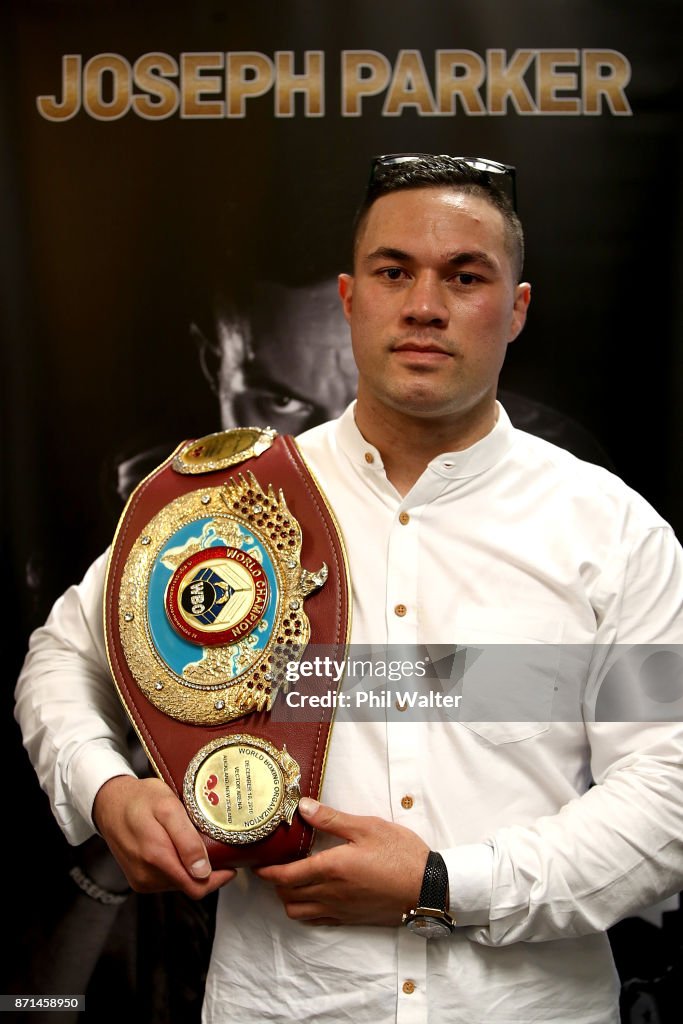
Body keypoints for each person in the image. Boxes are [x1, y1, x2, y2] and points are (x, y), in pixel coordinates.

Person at [15, 154, 683, 1024]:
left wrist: (443, 884)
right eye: (393, 271)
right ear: (349, 297)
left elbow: (666, 794)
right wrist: (106, 792)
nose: (424, 305)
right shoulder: (227, 505)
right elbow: (62, 653)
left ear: (516, 309)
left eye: (465, 275)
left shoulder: (614, 531)